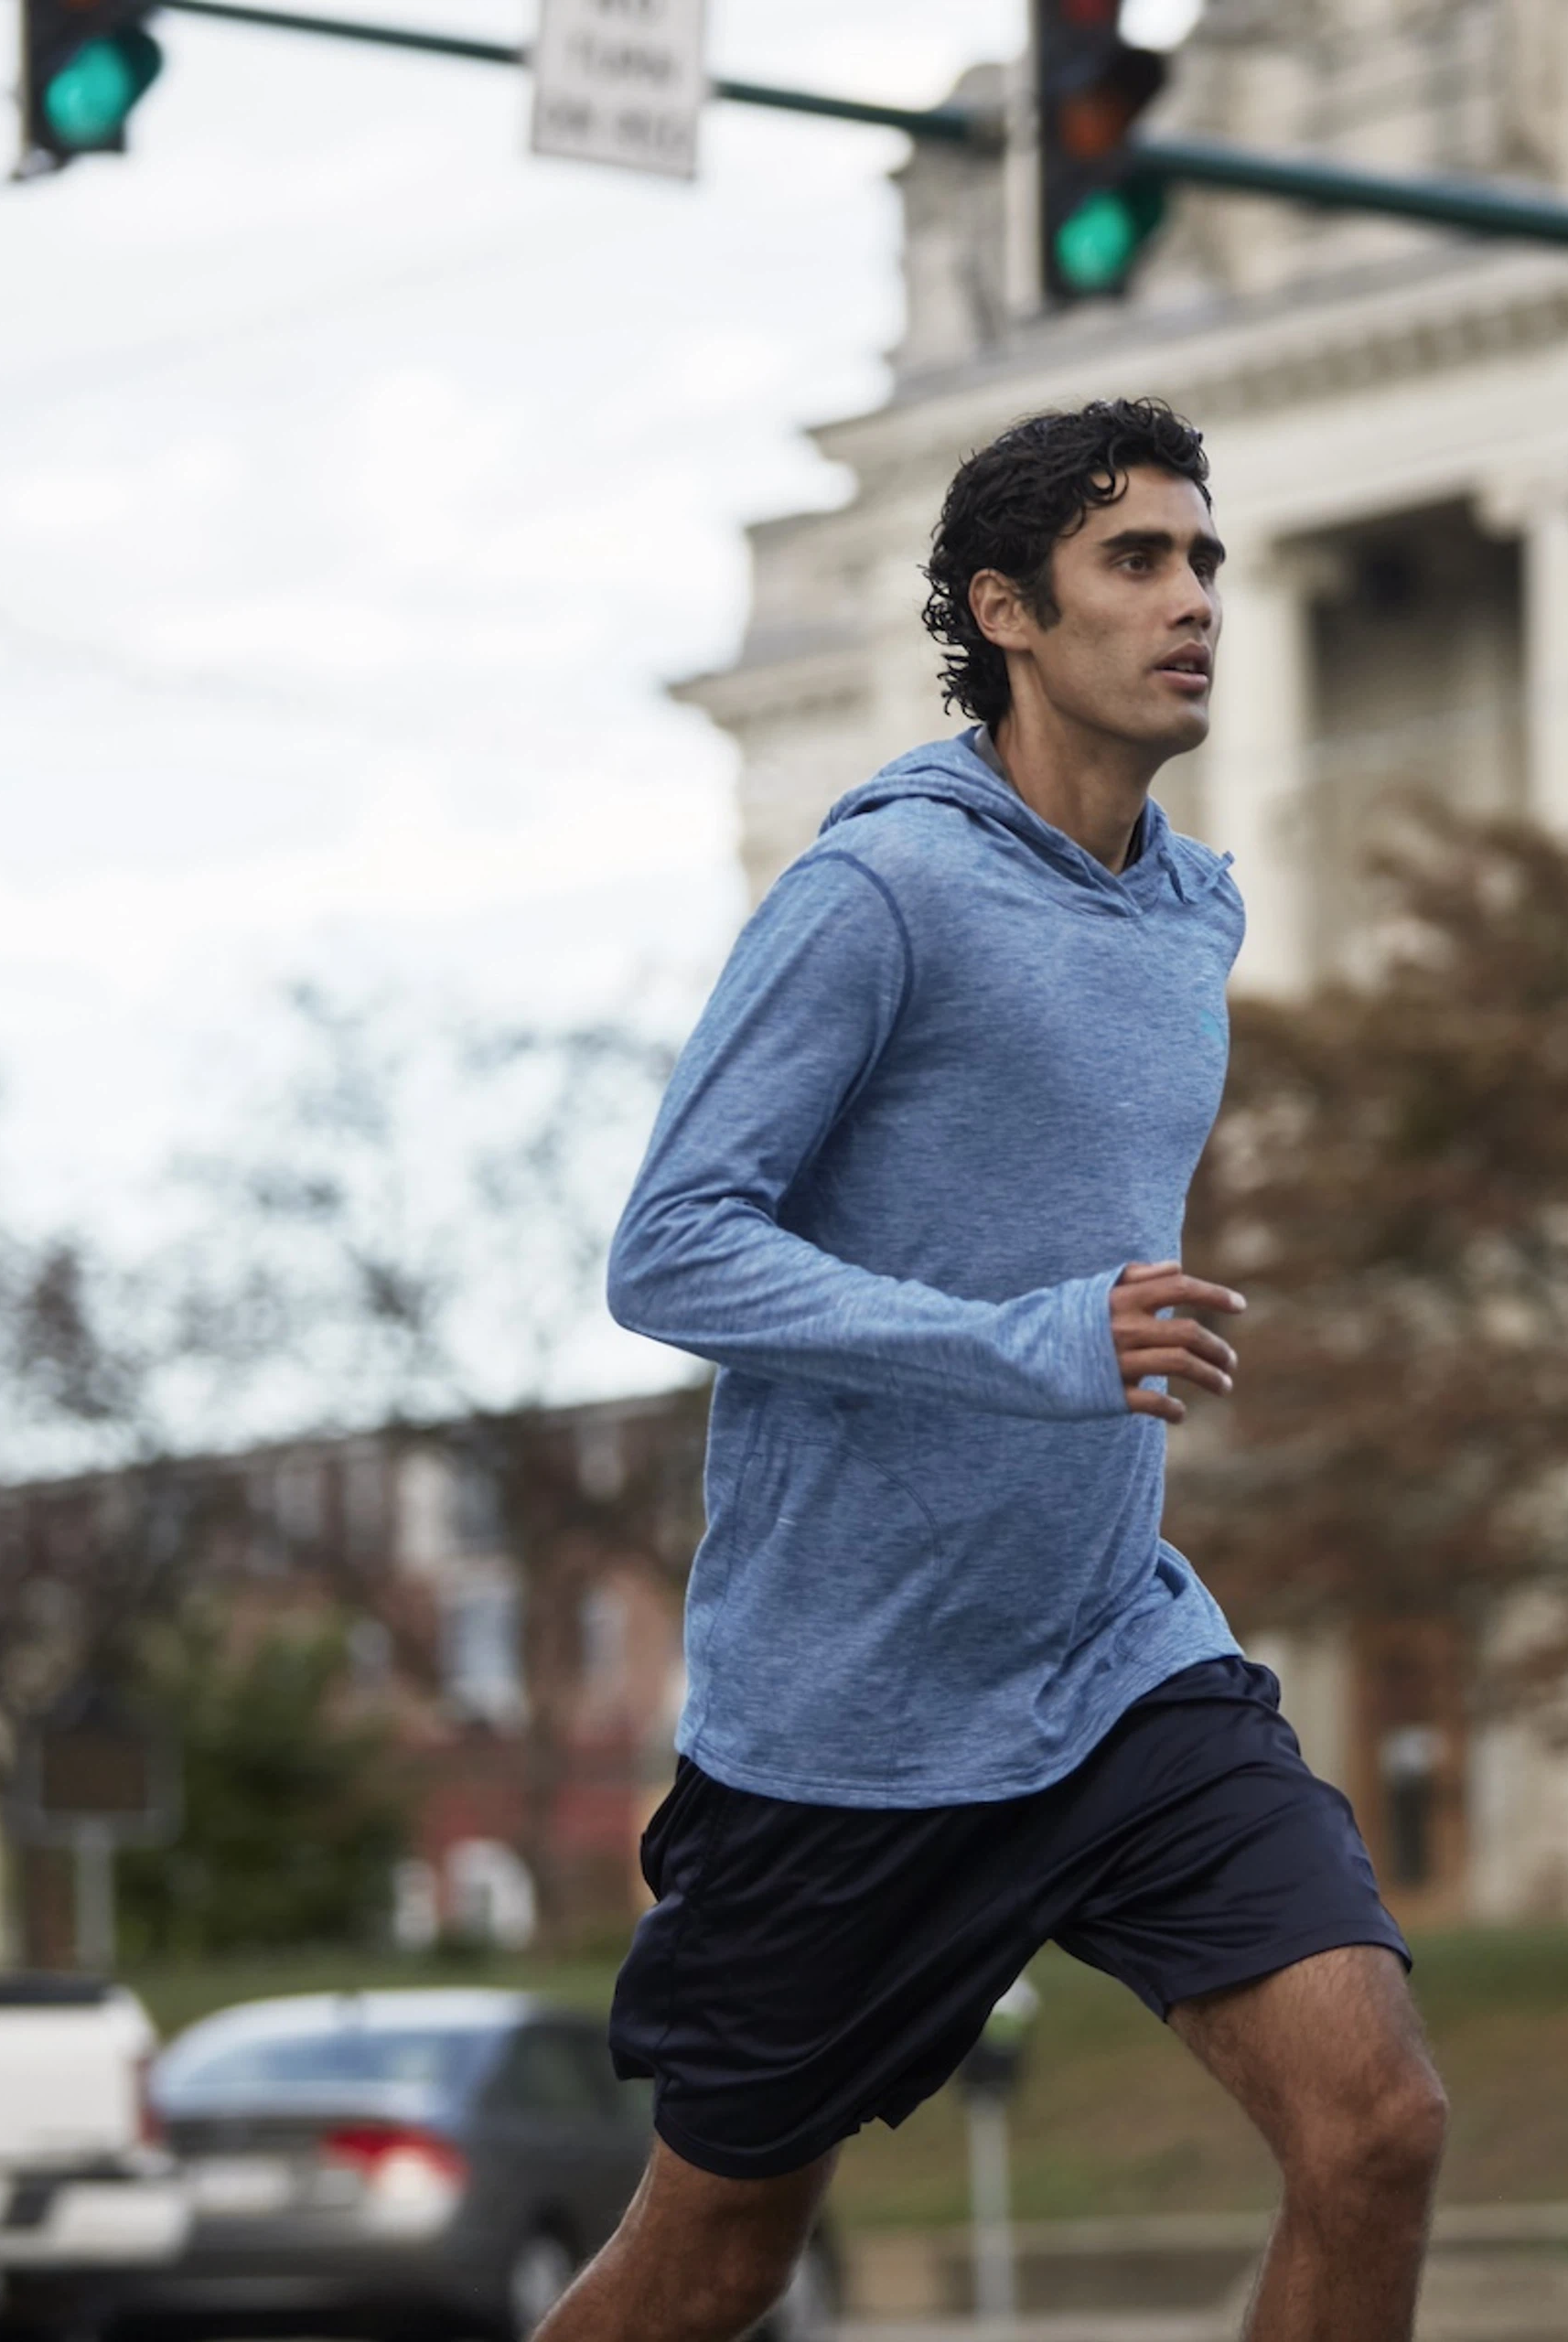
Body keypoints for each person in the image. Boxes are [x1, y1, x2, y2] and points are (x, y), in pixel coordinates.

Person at [555, 398, 1444, 2342]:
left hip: (1116, 1653)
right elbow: (672, 1246)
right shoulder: (879, 891)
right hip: (853, 1715)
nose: (1193, 597)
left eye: (1205, 557)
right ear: (1005, 609)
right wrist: (1027, 1343)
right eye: (1137, 558)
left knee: (1375, 2122)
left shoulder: (1193, 912)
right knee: (713, 2262)